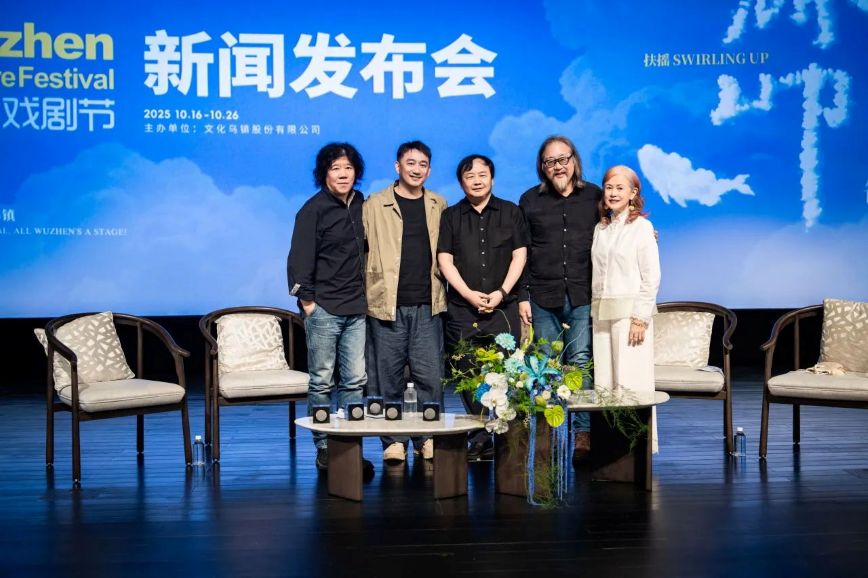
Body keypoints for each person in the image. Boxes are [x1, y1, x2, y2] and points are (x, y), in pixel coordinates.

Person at [287, 142, 373, 473]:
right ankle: (324, 447)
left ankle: (349, 446)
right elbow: (298, 261)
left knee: (354, 381)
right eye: (335, 168)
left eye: (348, 168)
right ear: (324, 173)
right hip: (324, 308)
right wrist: (308, 303)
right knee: (322, 381)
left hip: (357, 308)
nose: (343, 174)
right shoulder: (313, 210)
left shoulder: (362, 203)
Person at [438, 154, 529, 460]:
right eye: (470, 176)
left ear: (492, 177)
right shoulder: (451, 216)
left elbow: (519, 255)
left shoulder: (511, 211)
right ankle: (482, 434)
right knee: (468, 374)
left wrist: (502, 292)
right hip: (463, 309)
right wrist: (468, 294)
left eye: (482, 174)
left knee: (506, 373)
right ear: (461, 182)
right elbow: (445, 260)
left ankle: (504, 436)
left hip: (503, 307)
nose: (477, 180)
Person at [518, 136, 602, 463]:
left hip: (583, 293)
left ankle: (583, 433)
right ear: (543, 167)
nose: (558, 167)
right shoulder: (529, 200)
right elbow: (521, 252)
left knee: (579, 362)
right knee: (546, 364)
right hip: (542, 294)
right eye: (550, 162)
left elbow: (618, 226)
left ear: (574, 160)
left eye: (563, 159)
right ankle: (551, 431)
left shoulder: (594, 196)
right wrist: (522, 296)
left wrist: (644, 229)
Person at [363, 141, 448, 463]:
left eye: (423, 164)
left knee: (430, 376)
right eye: (410, 163)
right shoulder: (374, 204)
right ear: (397, 167)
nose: (416, 169)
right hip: (386, 304)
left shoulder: (438, 203)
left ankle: (426, 437)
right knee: (387, 377)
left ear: (429, 170)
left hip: (428, 304)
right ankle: (393, 440)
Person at [590, 165, 660, 453]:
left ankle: (637, 450)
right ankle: (611, 450)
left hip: (631, 317)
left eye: (620, 188)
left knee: (631, 383)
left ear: (633, 193)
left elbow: (651, 277)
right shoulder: (601, 228)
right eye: (609, 187)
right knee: (605, 386)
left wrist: (640, 318)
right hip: (602, 314)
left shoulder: (641, 228)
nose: (613, 193)